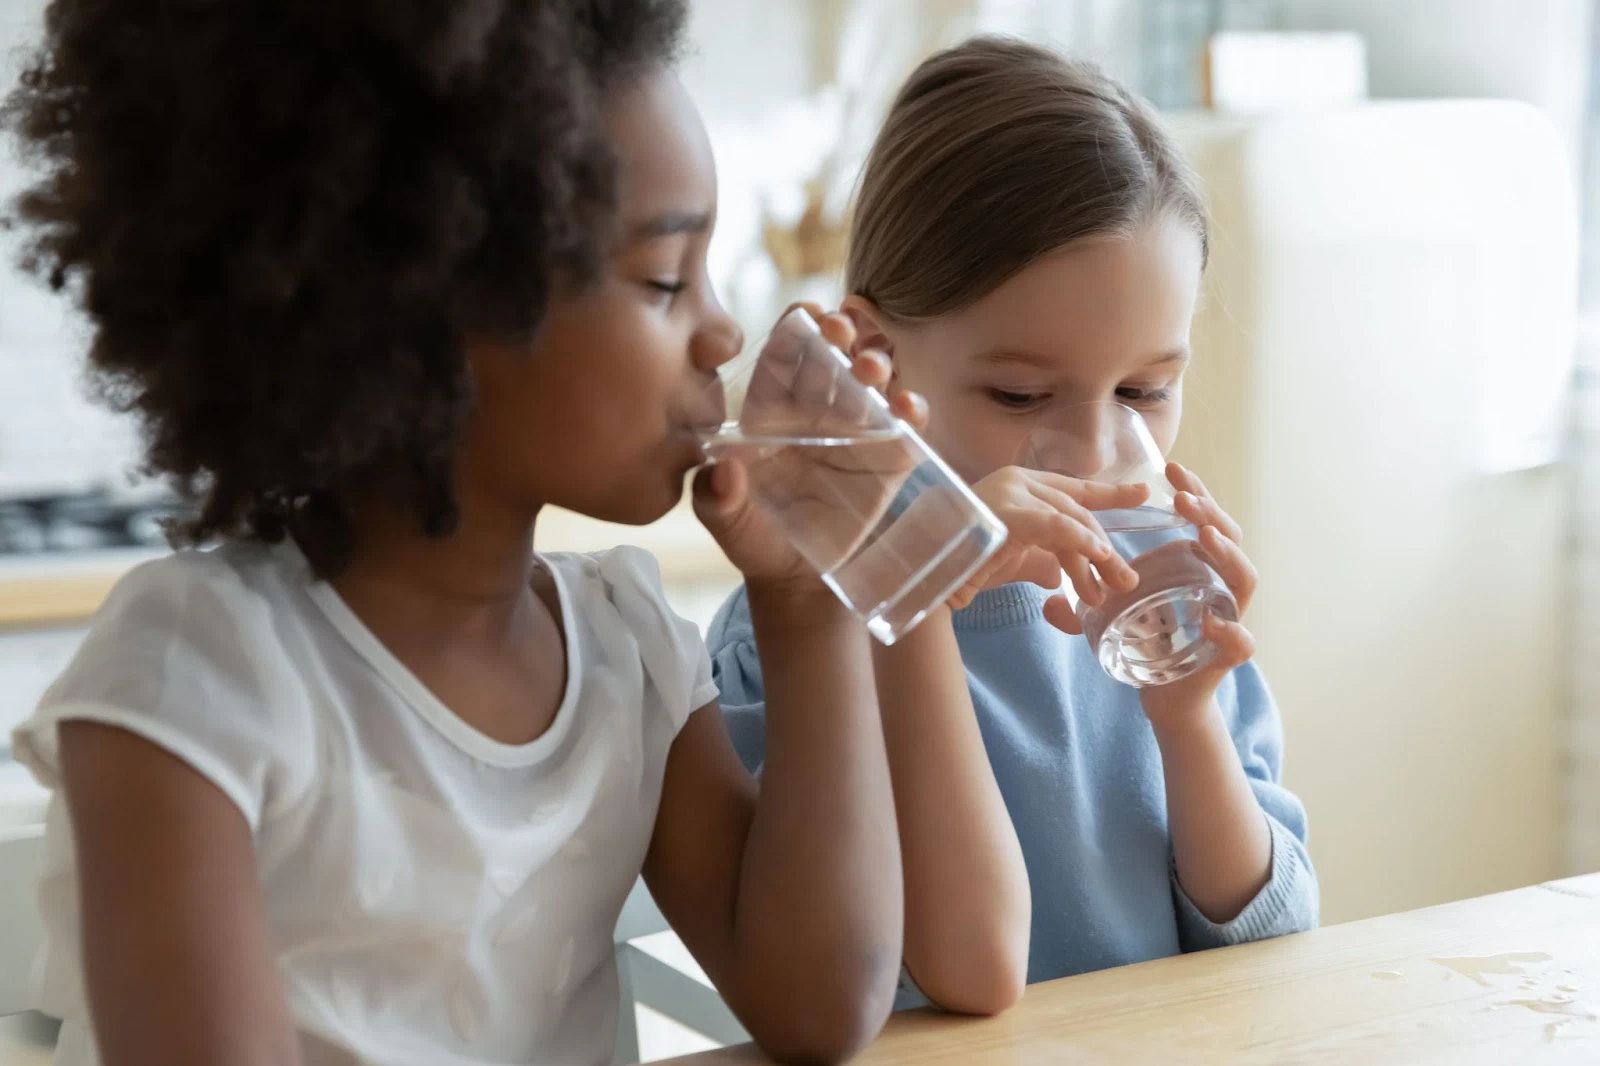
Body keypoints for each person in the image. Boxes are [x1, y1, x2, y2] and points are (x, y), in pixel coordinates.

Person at [3, 2, 914, 1062]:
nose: (722, 329)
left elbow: (822, 1005)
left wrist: (807, 600)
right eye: (665, 280)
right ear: (422, 318)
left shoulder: (626, 648)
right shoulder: (199, 680)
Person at [709, 36, 1319, 1015]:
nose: (1092, 447)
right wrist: (917, 570)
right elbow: (933, 973)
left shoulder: (1156, 604)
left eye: (1144, 388)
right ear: (874, 356)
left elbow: (1270, 941)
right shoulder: (799, 625)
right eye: (1021, 392)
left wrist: (1189, 722)